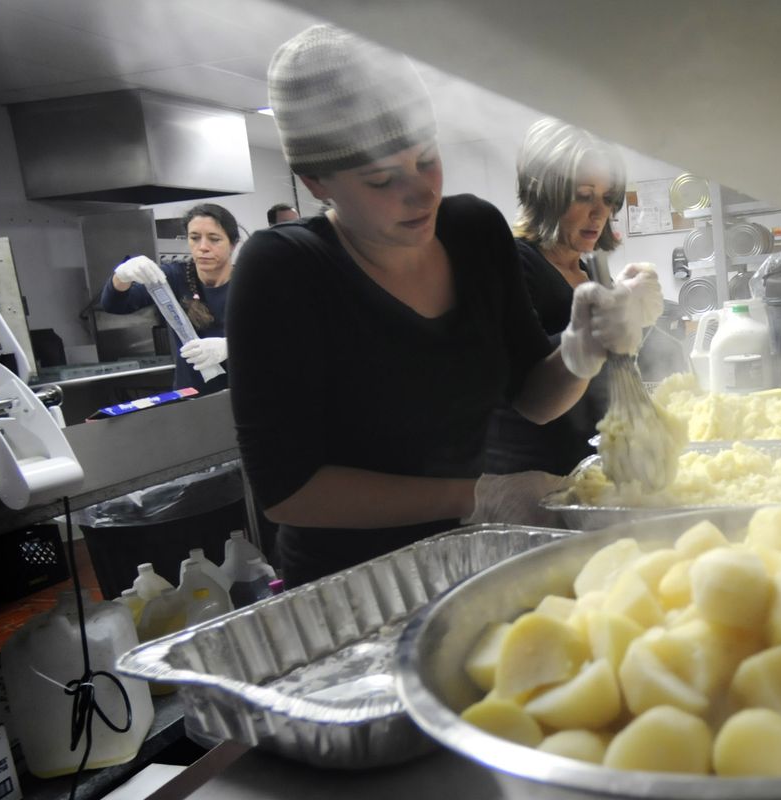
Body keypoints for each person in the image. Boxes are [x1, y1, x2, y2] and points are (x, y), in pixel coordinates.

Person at [226, 24, 662, 587]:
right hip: (356, 584)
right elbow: (287, 493)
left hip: (472, 560)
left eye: (427, 160)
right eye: (382, 179)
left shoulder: (474, 230)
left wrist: (583, 350)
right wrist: (477, 496)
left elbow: (534, 400)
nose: (422, 192)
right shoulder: (285, 269)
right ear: (316, 182)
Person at [485, 118, 641, 475]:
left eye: (607, 198)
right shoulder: (512, 263)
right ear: (543, 193)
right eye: (583, 196)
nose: (599, 212)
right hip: (533, 481)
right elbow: (526, 393)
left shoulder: (592, 274)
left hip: (588, 475)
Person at [99, 203, 236, 394]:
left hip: (246, 396)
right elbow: (114, 304)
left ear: (232, 244)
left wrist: (230, 347)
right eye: (194, 238)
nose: (203, 247)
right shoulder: (173, 277)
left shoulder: (250, 283)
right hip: (191, 400)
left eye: (214, 239)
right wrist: (121, 276)